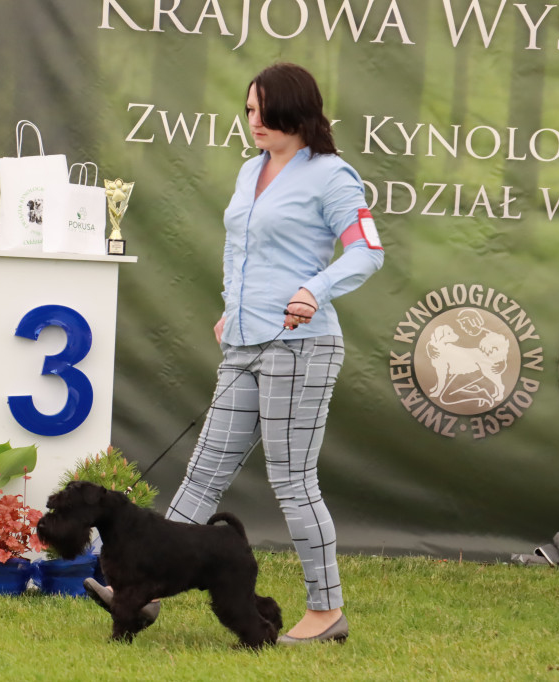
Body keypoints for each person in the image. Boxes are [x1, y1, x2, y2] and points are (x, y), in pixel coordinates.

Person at [86, 62, 384, 645]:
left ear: (295, 110)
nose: (252, 121)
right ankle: (143, 594)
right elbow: (239, 251)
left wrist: (313, 289)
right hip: (245, 342)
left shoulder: (332, 176)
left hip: (302, 345)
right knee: (203, 475)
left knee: (293, 480)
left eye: (262, 110)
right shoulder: (251, 171)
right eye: (248, 110)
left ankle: (327, 612)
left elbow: (366, 253)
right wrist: (233, 308)